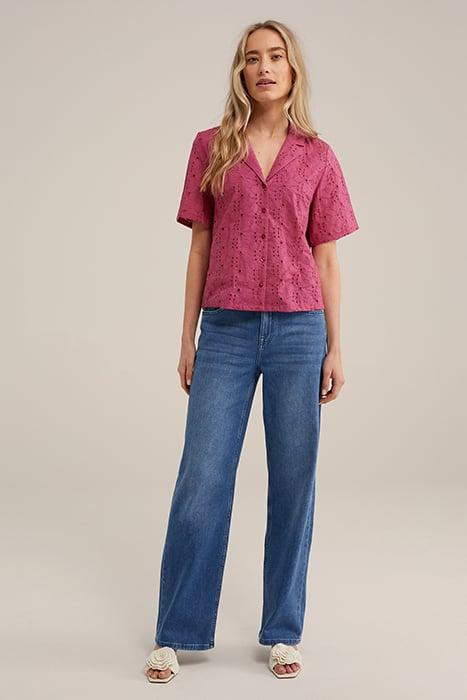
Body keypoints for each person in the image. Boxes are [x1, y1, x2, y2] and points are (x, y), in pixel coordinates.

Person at [144, 18, 359, 683]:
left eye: (275, 56)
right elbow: (199, 247)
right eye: (252, 58)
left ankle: (282, 631)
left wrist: (335, 346)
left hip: (299, 332)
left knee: (294, 481)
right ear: (240, 72)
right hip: (227, 331)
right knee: (203, 477)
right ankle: (176, 630)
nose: (264, 67)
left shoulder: (317, 157)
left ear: (293, 70)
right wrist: (187, 335)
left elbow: (326, 258)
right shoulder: (210, 147)